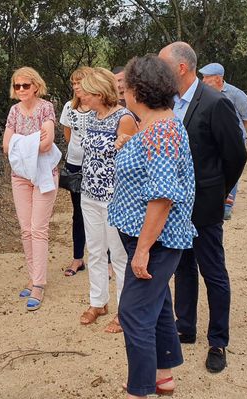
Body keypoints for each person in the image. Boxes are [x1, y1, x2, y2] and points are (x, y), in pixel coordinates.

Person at [109, 54, 196, 399]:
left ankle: (139, 391)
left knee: (132, 312)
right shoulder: (155, 126)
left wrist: (143, 249)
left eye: (125, 85)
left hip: (156, 242)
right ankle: (163, 377)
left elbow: (162, 197)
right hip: (145, 236)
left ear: (137, 90)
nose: (122, 91)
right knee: (157, 305)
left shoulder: (161, 130)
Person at [158, 42, 247, 373]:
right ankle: (185, 327)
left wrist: (219, 190)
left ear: (181, 67)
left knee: (213, 271)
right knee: (182, 267)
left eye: (164, 64)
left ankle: (218, 341)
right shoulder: (167, 103)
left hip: (206, 204)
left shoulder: (215, 102)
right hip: (175, 205)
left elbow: (236, 155)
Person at [77, 67, 137, 333]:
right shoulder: (90, 117)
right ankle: (98, 302)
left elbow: (134, 159)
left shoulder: (124, 118)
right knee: (96, 250)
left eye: (86, 92)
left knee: (120, 255)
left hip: (114, 197)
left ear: (100, 92)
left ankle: (125, 312)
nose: (82, 97)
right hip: (89, 193)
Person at [3, 67, 58, 311]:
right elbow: (6, 146)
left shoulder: (46, 108)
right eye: (17, 86)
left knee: (38, 229)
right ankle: (33, 275)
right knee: (26, 230)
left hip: (44, 174)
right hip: (20, 176)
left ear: (36, 85)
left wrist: (20, 143)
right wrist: (32, 140)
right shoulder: (14, 111)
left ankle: (39, 283)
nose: (22, 89)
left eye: (26, 85)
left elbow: (48, 145)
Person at [198, 63, 247, 220]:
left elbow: (246, 118)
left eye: (206, 77)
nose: (203, 80)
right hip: (213, 139)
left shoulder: (236, 94)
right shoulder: (203, 94)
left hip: (234, 140)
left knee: (231, 169)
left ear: (217, 78)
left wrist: (234, 135)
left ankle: (227, 206)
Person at [59, 66, 93, 276]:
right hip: (74, 165)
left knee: (101, 211)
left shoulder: (101, 107)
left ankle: (107, 259)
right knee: (78, 213)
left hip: (97, 166)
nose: (76, 87)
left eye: (80, 82)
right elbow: (68, 135)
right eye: (74, 83)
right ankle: (78, 258)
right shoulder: (68, 107)